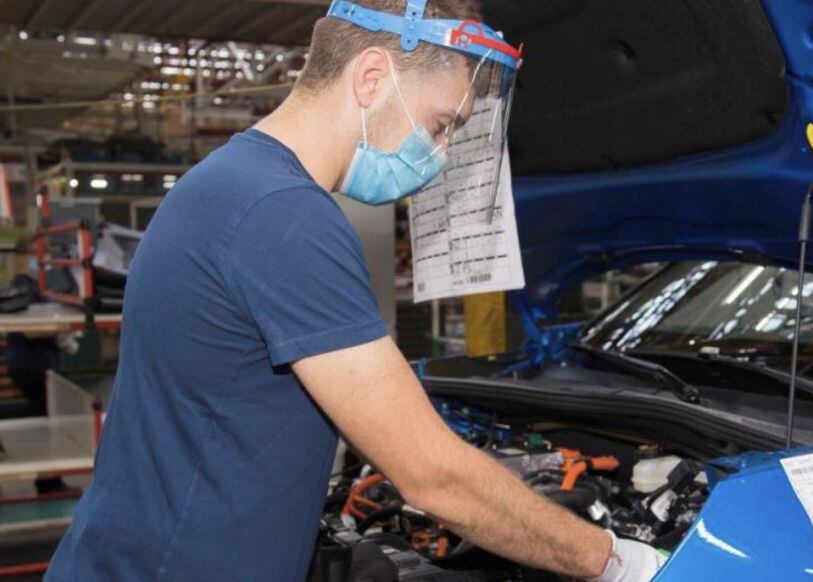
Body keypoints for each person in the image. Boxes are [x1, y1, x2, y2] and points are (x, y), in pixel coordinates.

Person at [46, 1, 666, 581]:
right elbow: (430, 478)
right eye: (442, 123)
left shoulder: (231, 181)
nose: (441, 153)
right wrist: (609, 560)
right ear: (371, 78)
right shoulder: (283, 214)